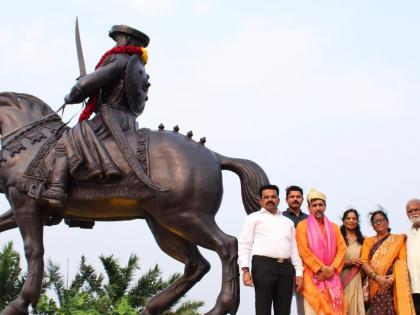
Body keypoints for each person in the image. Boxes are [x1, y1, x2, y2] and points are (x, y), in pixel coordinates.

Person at [42, 25, 151, 206]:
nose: (116, 44)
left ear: (128, 41)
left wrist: (73, 94)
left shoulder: (119, 59)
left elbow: (85, 86)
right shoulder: (138, 67)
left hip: (110, 118)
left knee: (65, 142)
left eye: (118, 39)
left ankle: (57, 189)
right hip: (128, 121)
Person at [238, 184, 303, 315]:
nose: (270, 200)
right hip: (263, 267)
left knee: (284, 310)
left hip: (286, 268)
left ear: (278, 200)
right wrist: (245, 270)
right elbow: (244, 244)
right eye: (266, 197)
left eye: (273, 197)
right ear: (260, 200)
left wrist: (299, 272)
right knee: (263, 309)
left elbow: (294, 248)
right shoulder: (253, 218)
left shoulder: (287, 222)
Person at [296, 188, 347, 315]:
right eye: (314, 205)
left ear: (325, 206)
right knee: (313, 310)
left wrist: (332, 269)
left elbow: (342, 249)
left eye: (320, 205)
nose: (318, 208)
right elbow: (303, 250)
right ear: (309, 208)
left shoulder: (334, 227)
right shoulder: (302, 226)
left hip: (332, 276)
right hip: (312, 276)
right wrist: (321, 268)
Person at [361, 209, 415, 315]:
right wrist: (377, 278)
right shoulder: (368, 241)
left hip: (393, 284)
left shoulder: (398, 239)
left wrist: (391, 279)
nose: (379, 223)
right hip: (375, 284)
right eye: (375, 221)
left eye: (381, 220)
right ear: (372, 225)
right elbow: (363, 262)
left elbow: (402, 260)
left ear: (387, 222)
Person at [282, 185, 307, 315]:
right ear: (286, 200)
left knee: (304, 306)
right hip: (285, 265)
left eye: (298, 197)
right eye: (292, 197)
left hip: (305, 268)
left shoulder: (309, 219)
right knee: (283, 304)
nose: (295, 199)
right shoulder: (280, 218)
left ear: (302, 199)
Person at [339, 209, 365, 315]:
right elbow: (332, 262)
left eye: (354, 218)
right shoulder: (338, 240)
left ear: (357, 221)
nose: (351, 220)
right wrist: (349, 262)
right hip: (342, 280)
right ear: (344, 221)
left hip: (359, 280)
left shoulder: (364, 241)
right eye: (348, 218)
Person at [406, 199, 420, 314]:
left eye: (416, 210)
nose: (413, 213)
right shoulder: (406, 235)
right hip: (413, 289)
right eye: (410, 211)